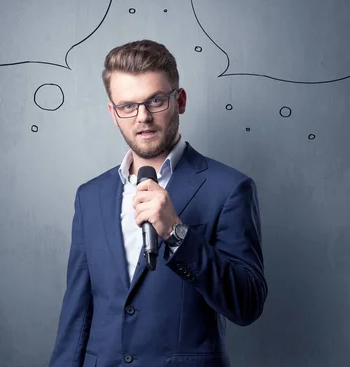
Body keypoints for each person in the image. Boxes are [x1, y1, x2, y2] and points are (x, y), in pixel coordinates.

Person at [48, 40, 267, 367]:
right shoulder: (90, 196)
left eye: (156, 101)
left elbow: (247, 304)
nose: (143, 117)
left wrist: (177, 233)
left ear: (179, 100)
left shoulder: (230, 188)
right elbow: (76, 314)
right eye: (128, 106)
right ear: (113, 113)